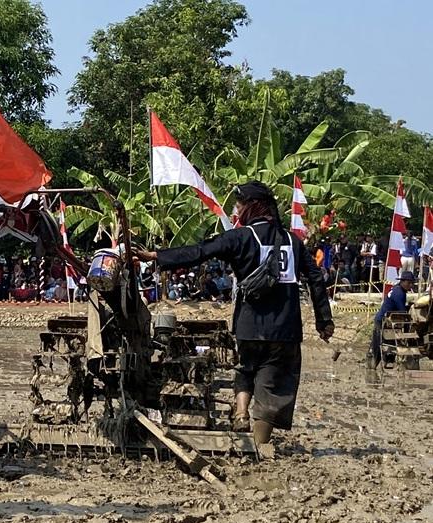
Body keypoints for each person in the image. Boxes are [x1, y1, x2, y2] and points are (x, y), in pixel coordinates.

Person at [135, 180, 334, 457]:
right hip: (285, 329)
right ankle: (261, 445)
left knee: (246, 369)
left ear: (251, 207)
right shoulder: (293, 241)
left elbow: (201, 251)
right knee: (273, 384)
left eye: (239, 204)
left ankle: (241, 411)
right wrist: (324, 321)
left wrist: (158, 256)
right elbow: (316, 279)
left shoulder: (240, 238)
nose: (236, 210)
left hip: (249, 325)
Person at [369, 271, 415, 369]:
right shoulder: (399, 293)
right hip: (382, 320)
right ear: (403, 281)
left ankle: (386, 361)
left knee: (389, 341)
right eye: (409, 283)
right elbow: (402, 311)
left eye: (412, 283)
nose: (411, 285)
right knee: (378, 345)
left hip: (391, 320)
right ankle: (372, 366)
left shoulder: (399, 290)